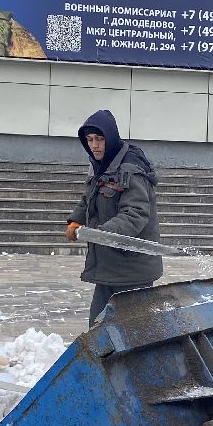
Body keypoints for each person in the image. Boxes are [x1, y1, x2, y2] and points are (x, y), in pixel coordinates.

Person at [64, 109, 163, 324]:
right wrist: (76, 219)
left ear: (110, 137)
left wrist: (103, 233)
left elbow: (135, 214)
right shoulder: (101, 165)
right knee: (98, 326)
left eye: (99, 139)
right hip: (109, 266)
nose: (94, 145)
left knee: (131, 332)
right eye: (89, 140)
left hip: (132, 270)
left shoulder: (130, 169)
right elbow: (88, 197)